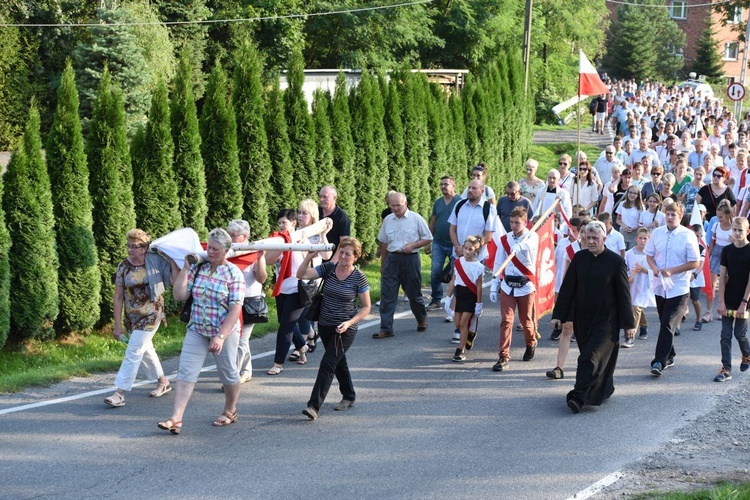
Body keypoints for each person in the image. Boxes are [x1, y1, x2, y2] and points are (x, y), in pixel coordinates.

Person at [158, 228, 245, 434]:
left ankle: (230, 409)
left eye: (215, 249)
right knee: (186, 372)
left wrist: (221, 335)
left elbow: (235, 309)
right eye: (209, 247)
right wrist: (186, 269)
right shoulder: (200, 269)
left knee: (228, 374)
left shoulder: (234, 273)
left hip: (224, 331)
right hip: (197, 329)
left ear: (226, 250)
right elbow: (180, 295)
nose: (211, 252)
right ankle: (176, 418)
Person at [552, 220, 635, 413]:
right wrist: (559, 315)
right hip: (583, 319)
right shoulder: (579, 258)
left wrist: (628, 323)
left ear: (604, 239)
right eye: (587, 237)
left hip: (607, 321)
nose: (590, 241)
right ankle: (605, 387)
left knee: (590, 358)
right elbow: (568, 289)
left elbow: (624, 293)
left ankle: (578, 396)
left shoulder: (615, 261)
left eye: (595, 238)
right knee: (595, 358)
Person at [297, 237, 371, 420]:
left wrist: (349, 323)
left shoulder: (358, 277)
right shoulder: (329, 268)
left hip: (344, 329)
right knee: (339, 362)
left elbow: (366, 307)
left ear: (356, 257)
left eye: (348, 254)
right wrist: (308, 257)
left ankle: (313, 406)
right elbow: (302, 275)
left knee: (328, 364)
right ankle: (349, 395)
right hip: (325, 324)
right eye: (341, 252)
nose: (344, 257)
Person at [104, 229, 179, 408]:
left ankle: (119, 393)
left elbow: (174, 281)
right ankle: (163, 382)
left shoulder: (155, 262)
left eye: (135, 246)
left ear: (144, 248)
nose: (130, 250)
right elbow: (118, 296)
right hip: (132, 316)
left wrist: (173, 260)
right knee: (145, 350)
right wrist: (117, 325)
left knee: (134, 350)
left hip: (152, 313)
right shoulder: (124, 266)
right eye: (129, 246)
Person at [645, 202, 701, 377]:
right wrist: (654, 268)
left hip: (678, 287)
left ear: (681, 215)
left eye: (673, 214)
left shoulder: (688, 235)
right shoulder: (657, 233)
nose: (670, 217)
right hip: (660, 286)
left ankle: (658, 361)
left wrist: (672, 271)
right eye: (668, 214)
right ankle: (670, 355)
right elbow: (649, 255)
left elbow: (695, 262)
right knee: (664, 321)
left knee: (667, 322)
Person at [373, 192, 433, 339]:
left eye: (398, 205)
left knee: (414, 295)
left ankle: (421, 319)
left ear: (405, 203)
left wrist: (413, 245)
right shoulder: (388, 219)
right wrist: (383, 263)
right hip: (392, 260)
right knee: (387, 295)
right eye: (392, 205)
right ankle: (386, 328)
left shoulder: (416, 218)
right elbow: (384, 243)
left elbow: (428, 238)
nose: (395, 208)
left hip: (410, 259)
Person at [489, 207, 538, 372]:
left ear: (525, 222)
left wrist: (520, 247)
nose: (514, 225)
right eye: (511, 222)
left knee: (525, 321)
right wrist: (494, 285)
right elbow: (498, 262)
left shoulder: (532, 237)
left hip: (525, 285)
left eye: (517, 222)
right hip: (508, 285)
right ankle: (503, 356)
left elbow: (531, 245)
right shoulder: (505, 239)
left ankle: (531, 343)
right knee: (506, 321)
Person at [227, 220, 268, 384]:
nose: (230, 238)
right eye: (229, 234)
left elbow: (262, 278)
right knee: (236, 339)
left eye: (234, 235)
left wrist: (260, 259)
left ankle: (234, 376)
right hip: (231, 302)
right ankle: (246, 371)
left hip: (250, 303)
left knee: (240, 340)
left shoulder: (254, 252)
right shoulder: (229, 252)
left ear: (245, 236)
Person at [547, 217, 586, 378]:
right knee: (567, 328)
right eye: (582, 232)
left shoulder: (598, 250)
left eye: (587, 232)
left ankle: (587, 366)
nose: (584, 235)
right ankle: (559, 367)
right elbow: (566, 278)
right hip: (575, 295)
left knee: (587, 332)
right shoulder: (571, 250)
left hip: (592, 298)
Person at [714, 217, 750, 382]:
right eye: (734, 230)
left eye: (740, 230)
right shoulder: (727, 250)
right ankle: (726, 368)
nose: (736, 233)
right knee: (725, 334)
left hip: (744, 299)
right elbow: (722, 277)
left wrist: (744, 302)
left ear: (747, 231)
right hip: (728, 297)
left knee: (739, 334)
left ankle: (747, 355)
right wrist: (720, 301)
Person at [447, 235, 485, 362]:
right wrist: (448, 297)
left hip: (470, 296)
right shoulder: (458, 262)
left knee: (463, 323)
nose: (467, 251)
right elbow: (453, 280)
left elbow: (479, 287)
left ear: (476, 251)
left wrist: (479, 304)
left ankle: (460, 350)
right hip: (460, 294)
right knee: (458, 323)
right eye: (466, 248)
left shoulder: (478, 266)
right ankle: (468, 334)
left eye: (471, 249)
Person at [427, 176, 460, 311]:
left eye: (446, 184)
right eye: (441, 184)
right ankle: (436, 300)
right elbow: (433, 221)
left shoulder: (460, 202)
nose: (443, 186)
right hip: (439, 243)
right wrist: (428, 242)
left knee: (454, 274)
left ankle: (454, 302)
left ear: (453, 186)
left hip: (454, 244)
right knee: (435, 271)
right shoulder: (438, 203)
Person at [449, 179, 499, 260]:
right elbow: (452, 229)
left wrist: (467, 250)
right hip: (457, 255)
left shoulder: (489, 209)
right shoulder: (459, 205)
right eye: (469, 187)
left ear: (482, 191)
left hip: (476, 259)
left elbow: (488, 237)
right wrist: (458, 247)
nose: (470, 190)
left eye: (474, 188)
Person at [622, 228, 656, 347]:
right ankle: (643, 324)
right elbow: (624, 268)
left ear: (649, 239)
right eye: (640, 238)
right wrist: (628, 276)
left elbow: (656, 271)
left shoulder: (651, 255)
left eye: (645, 238)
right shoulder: (629, 253)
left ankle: (630, 336)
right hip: (633, 284)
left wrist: (645, 270)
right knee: (634, 306)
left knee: (636, 307)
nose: (642, 241)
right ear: (636, 238)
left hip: (645, 285)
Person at [703, 200, 734, 324]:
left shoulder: (733, 228)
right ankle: (709, 311)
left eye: (720, 216)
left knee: (725, 285)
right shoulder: (716, 225)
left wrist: (734, 240)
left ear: (727, 216)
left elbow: (738, 244)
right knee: (711, 284)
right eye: (717, 216)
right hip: (716, 254)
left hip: (729, 255)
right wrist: (708, 257)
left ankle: (723, 309)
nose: (718, 218)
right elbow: (712, 243)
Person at [318, 185, 351, 256]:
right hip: (315, 257)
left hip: (331, 259)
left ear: (334, 198)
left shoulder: (342, 218)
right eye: (320, 196)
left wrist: (332, 263)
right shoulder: (315, 212)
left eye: (325, 197)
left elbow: (343, 244)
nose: (321, 199)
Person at [616, 186, 644, 250]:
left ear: (638, 195)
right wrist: (624, 226)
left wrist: (633, 229)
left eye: (634, 193)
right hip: (623, 232)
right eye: (630, 192)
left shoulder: (641, 207)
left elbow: (642, 223)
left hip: (635, 234)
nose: (632, 195)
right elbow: (618, 219)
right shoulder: (622, 204)